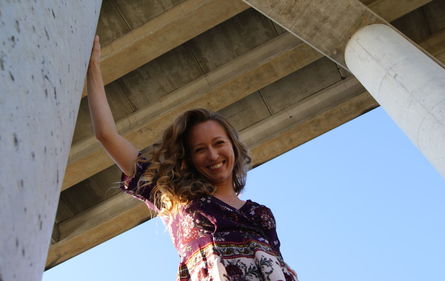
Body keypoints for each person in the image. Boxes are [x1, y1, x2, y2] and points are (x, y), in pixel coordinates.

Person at [87, 35, 298, 281]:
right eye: (200, 149)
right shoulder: (176, 200)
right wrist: (93, 68)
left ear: (234, 148)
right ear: (187, 159)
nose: (213, 155)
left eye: (219, 143)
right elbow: (106, 135)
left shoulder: (261, 215)